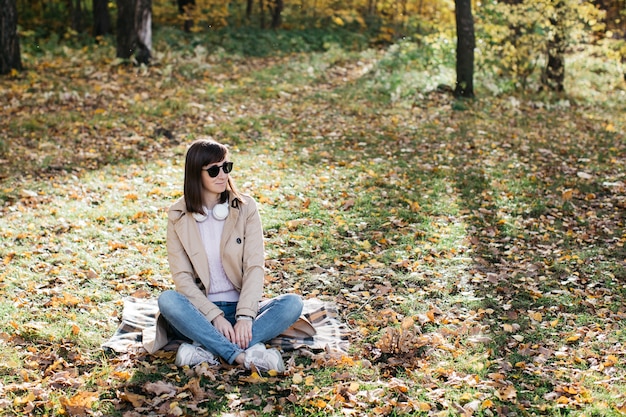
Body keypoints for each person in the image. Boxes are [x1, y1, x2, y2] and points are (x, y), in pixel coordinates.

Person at [157, 138, 303, 372]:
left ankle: (207, 349)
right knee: (167, 300)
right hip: (200, 314)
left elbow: (255, 266)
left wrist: (245, 316)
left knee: (292, 304)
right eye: (214, 170)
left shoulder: (246, 207)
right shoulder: (178, 215)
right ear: (196, 174)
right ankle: (244, 356)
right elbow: (182, 278)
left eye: (226, 167)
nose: (222, 175)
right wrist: (214, 317)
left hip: (242, 308)